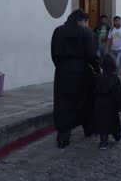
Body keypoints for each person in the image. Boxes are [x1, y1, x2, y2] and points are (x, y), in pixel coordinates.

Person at [51, 9, 98, 148]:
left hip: (63, 72)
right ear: (81, 20)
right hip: (82, 71)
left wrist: (62, 67)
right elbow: (91, 54)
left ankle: (63, 137)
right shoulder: (86, 32)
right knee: (85, 101)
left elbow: (54, 54)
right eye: (85, 21)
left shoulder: (58, 31)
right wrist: (96, 68)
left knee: (63, 104)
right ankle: (88, 129)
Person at [93, 54, 121, 150]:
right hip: (111, 104)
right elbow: (118, 94)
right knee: (114, 121)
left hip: (99, 103)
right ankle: (117, 135)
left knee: (102, 123)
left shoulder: (97, 78)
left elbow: (92, 91)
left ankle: (103, 141)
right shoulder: (114, 78)